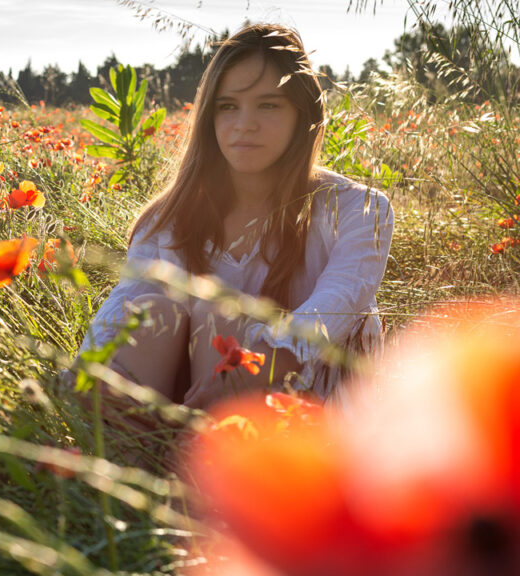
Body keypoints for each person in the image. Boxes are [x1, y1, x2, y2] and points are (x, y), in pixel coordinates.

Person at [67, 23, 394, 417]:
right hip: (186, 404)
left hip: (311, 420)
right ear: (209, 117)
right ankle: (145, 463)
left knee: (222, 313)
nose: (245, 123)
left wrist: (248, 372)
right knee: (152, 311)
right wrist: (86, 374)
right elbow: (124, 305)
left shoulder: (360, 211)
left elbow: (329, 314)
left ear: (302, 114)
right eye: (228, 106)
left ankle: (219, 467)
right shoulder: (167, 222)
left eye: (268, 105)